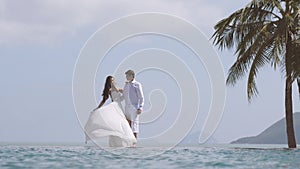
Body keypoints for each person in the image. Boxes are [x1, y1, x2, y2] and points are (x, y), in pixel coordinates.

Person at [84, 76, 137, 147]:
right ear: (109, 82)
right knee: (122, 123)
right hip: (115, 106)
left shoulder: (116, 88)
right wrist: (97, 108)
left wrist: (127, 85)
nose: (113, 82)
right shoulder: (110, 89)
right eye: (111, 81)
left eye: (113, 80)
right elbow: (104, 100)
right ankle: (124, 141)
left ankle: (127, 141)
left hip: (119, 105)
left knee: (123, 123)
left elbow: (124, 94)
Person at [123, 70, 144, 139]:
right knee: (127, 124)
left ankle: (134, 141)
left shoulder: (137, 84)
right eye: (126, 75)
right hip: (127, 107)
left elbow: (141, 97)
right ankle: (128, 140)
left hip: (134, 107)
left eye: (127, 75)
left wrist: (140, 107)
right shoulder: (126, 84)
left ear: (132, 76)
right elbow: (124, 94)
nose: (126, 77)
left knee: (134, 125)